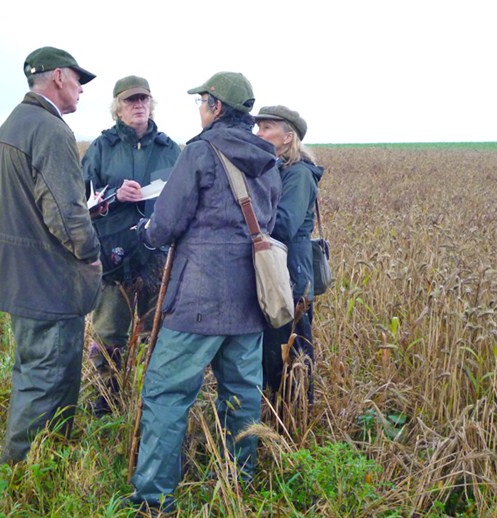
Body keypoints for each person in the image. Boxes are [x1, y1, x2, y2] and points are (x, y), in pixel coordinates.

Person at [126, 72, 282, 513]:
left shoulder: (200, 151)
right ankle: (238, 485)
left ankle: (154, 499)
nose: (199, 109)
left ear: (215, 106)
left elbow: (167, 223)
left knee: (166, 394)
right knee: (241, 395)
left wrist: (146, 232)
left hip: (196, 300)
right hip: (250, 301)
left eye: (201, 102)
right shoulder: (267, 158)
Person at [0, 46, 102, 464]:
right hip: (49, 282)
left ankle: (47, 465)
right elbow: (65, 212)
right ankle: (20, 478)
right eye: (78, 80)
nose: (81, 90)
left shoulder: (12, 126)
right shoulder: (50, 130)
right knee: (46, 381)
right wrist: (90, 253)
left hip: (20, 276)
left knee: (32, 374)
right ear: (58, 76)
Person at [81, 76, 181, 417]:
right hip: (113, 254)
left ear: (151, 104)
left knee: (156, 330)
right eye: (130, 101)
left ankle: (148, 397)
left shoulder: (170, 149)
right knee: (109, 332)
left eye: (143, 99)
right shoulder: (101, 148)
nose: (138, 105)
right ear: (117, 109)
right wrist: (113, 194)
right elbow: (79, 198)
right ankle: (105, 402)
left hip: (158, 256)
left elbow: (186, 196)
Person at [254, 105, 324, 406]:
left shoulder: (298, 174)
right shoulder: (277, 169)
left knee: (292, 352)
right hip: (277, 273)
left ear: (288, 136)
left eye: (267, 127)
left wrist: (247, 213)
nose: (259, 133)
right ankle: (275, 412)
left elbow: (283, 224)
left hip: (291, 278)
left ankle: (296, 418)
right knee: (272, 351)